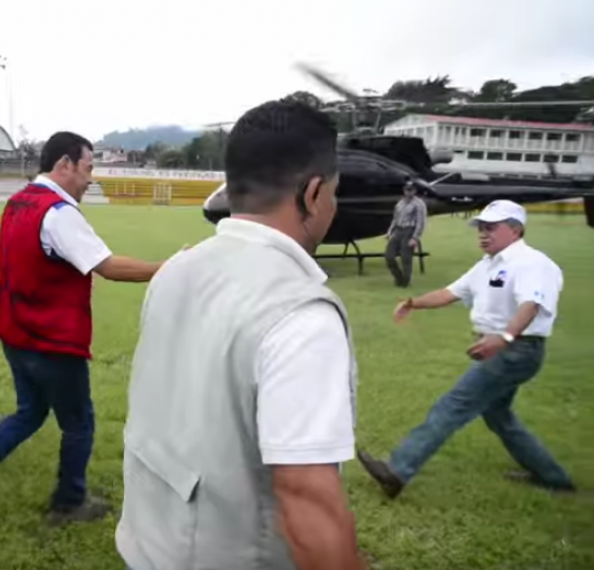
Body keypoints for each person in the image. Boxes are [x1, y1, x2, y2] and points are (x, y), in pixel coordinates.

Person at [116, 101, 364, 570]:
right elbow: (307, 502)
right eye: (334, 192)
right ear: (313, 194)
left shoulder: (176, 270)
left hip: (148, 543)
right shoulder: (299, 312)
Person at [0, 131, 169, 529]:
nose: (90, 178)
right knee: (79, 423)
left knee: (30, 412)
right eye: (88, 168)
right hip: (52, 340)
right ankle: (68, 503)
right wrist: (169, 267)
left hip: (17, 333)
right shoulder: (58, 212)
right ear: (64, 165)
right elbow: (107, 266)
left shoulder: (19, 201)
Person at [357, 199, 576, 498]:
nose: (483, 233)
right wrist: (413, 303)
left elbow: (532, 305)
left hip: (517, 349)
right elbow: (450, 292)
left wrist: (505, 338)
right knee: (499, 416)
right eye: (481, 228)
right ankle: (553, 477)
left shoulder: (532, 263)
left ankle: (398, 470)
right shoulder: (487, 265)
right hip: (504, 347)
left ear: (515, 230)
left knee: (452, 406)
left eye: (491, 228)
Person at [384, 180, 427, 287]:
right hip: (398, 230)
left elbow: (420, 222)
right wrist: (390, 232)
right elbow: (395, 218)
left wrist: (415, 237)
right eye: (407, 190)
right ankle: (399, 277)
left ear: (414, 191)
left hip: (409, 230)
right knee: (389, 256)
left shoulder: (419, 204)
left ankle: (405, 282)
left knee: (406, 258)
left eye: (411, 190)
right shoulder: (400, 203)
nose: (408, 193)